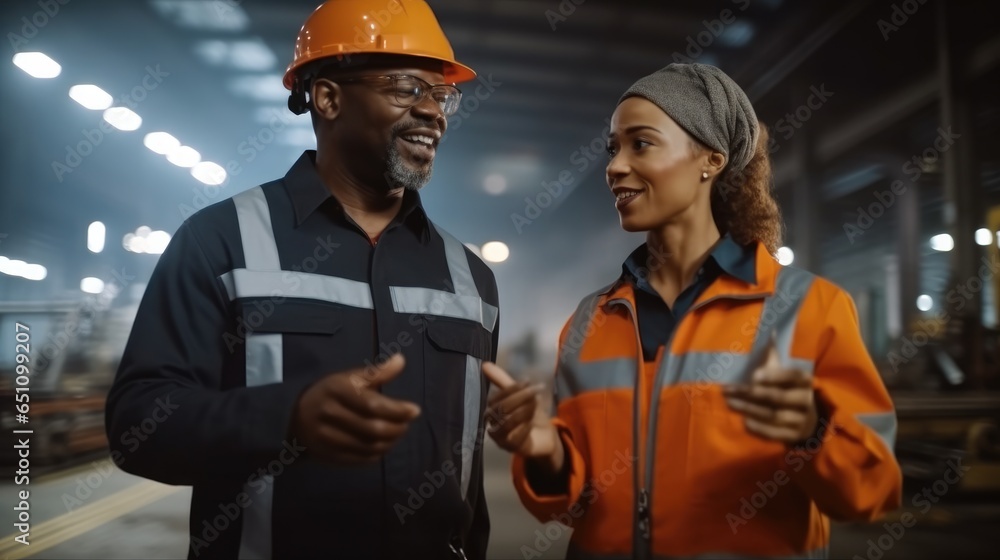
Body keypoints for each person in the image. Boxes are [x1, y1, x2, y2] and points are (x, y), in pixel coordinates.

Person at [104, 1, 498, 558]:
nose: (434, 111)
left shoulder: (471, 280)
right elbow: (137, 427)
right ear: (328, 97)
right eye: (408, 88)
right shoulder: (220, 242)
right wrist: (285, 418)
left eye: (442, 95)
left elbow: (469, 482)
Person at [483, 63, 902, 559]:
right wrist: (547, 454)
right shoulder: (590, 320)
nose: (615, 166)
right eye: (612, 148)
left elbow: (871, 492)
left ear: (711, 159)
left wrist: (812, 434)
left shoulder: (809, 309)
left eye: (641, 143)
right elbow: (577, 507)